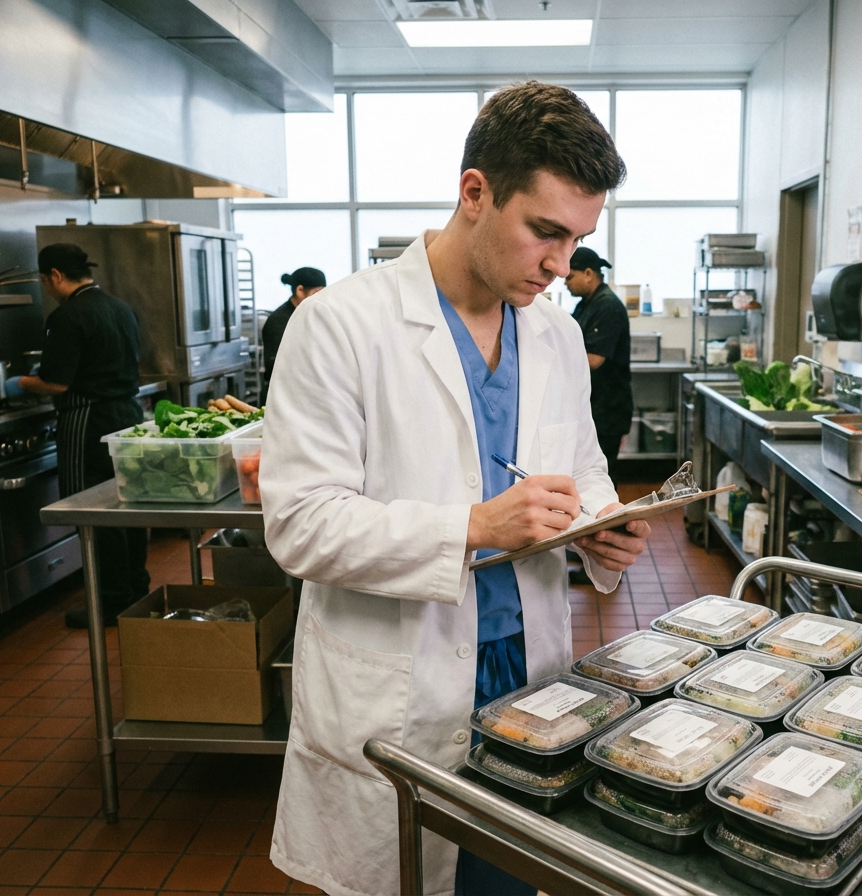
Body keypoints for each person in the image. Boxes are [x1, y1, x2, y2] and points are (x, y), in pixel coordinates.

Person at [260, 81, 652, 896]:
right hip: (400, 669)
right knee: (405, 873)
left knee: (505, 878)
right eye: (544, 231)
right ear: (475, 192)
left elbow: (582, 468)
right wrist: (472, 525)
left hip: (528, 664)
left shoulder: (551, 331)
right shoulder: (339, 325)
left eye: (577, 239)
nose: (560, 264)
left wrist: (604, 521)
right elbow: (300, 524)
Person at [11, 243, 149, 629]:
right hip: (127, 416)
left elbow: (55, 383)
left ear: (54, 275)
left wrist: (20, 382)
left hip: (88, 421)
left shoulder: (68, 316)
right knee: (129, 505)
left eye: (43, 280)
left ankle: (110, 603)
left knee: (93, 510)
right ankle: (136, 590)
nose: (45, 286)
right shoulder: (120, 307)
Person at [566, 246, 633, 481]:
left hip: (608, 409)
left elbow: (594, 359)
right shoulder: (586, 303)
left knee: (602, 475)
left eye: (569, 277)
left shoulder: (607, 306)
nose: (565, 283)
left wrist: (556, 361)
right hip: (595, 404)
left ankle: (611, 518)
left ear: (588, 273)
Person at [259, 266, 326, 405]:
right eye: (317, 292)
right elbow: (281, 364)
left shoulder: (311, 314)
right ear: (300, 290)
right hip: (284, 397)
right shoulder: (279, 321)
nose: (321, 298)